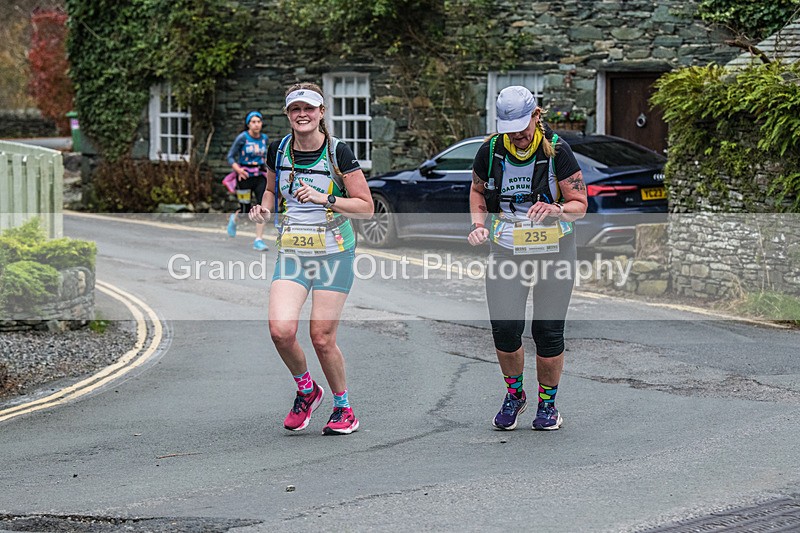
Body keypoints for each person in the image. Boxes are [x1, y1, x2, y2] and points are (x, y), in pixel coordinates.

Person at [249, 82, 374, 435]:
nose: (302, 114)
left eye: (309, 108)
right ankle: (307, 390)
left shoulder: (339, 153)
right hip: (293, 249)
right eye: (294, 109)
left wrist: (325, 199)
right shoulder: (278, 150)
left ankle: (343, 408)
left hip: (334, 251)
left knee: (321, 337)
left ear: (321, 113)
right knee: (281, 331)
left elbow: (366, 207)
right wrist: (264, 208)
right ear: (288, 114)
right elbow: (272, 189)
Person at [468, 86, 588, 431]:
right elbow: (477, 190)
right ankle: (515, 395)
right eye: (511, 129)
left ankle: (548, 404)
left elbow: (580, 206)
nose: (518, 135)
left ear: (537, 116)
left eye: (523, 126)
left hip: (555, 248)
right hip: (506, 248)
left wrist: (557, 208)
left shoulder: (558, 151)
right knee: (505, 328)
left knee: (548, 330)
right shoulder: (490, 151)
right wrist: (478, 225)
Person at [224, 110, 269, 251]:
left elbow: (265, 156)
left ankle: (259, 240)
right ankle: (235, 218)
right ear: (248, 124)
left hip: (260, 176)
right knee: (245, 211)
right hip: (244, 176)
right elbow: (230, 156)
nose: (256, 125)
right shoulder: (242, 138)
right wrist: (238, 170)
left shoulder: (264, 139)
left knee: (262, 208)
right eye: (253, 122)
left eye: (258, 121)